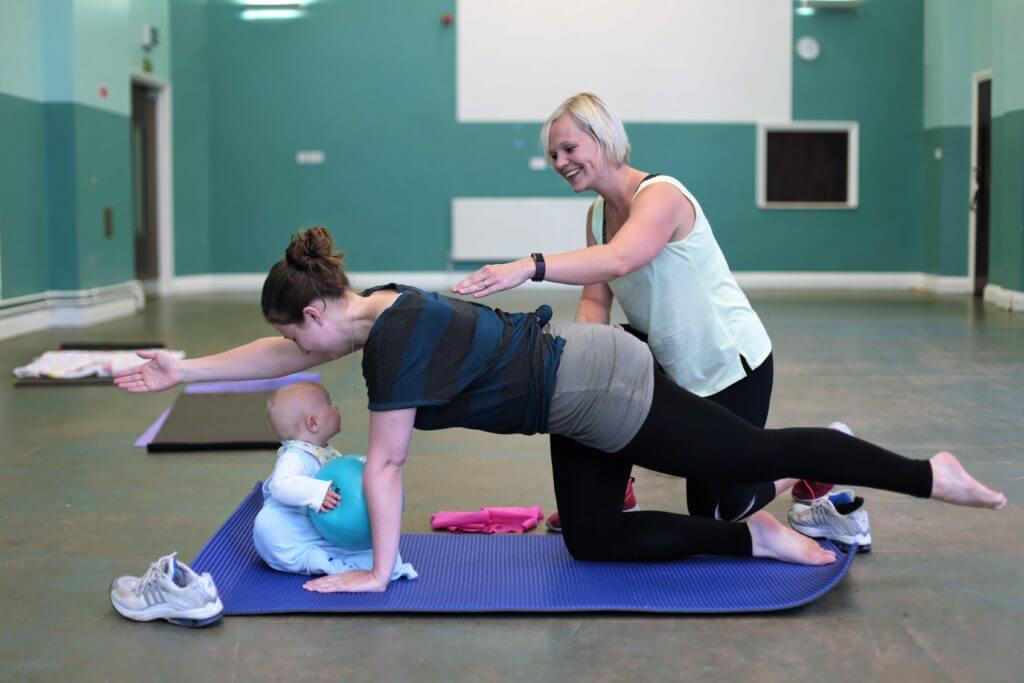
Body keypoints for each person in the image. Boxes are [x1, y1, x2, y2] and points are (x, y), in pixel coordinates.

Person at [114, 227, 1006, 595]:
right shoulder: (370, 304)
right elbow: (282, 352)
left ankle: (930, 472)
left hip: (603, 383)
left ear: (317, 312)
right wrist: (183, 369)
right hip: (571, 398)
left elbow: (385, 465)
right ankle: (756, 536)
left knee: (748, 453)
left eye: (292, 333)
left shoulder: (390, 340)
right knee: (593, 539)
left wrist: (376, 572)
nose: (295, 351)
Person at [451, 92, 840, 533]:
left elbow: (620, 259)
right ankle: (617, 487)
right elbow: (596, 298)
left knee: (722, 511)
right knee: (601, 385)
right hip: (676, 368)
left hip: (731, 366)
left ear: (603, 139)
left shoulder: (661, 195)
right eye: (554, 154)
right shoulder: (597, 215)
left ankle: (821, 455)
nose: (561, 162)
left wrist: (529, 266)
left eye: (570, 149)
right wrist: (576, 362)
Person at [254, 381, 417, 580]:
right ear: (313, 423)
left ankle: (337, 561)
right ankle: (324, 564)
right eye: (330, 403)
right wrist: (317, 492)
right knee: (304, 553)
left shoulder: (322, 450)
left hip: (316, 531)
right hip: (285, 536)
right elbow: (280, 485)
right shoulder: (295, 455)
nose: (336, 407)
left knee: (379, 555)